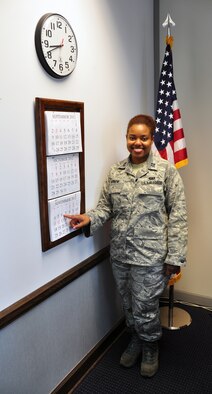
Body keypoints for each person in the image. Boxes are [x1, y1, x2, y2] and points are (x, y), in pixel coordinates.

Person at [64, 114, 188, 378]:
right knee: (129, 304)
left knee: (145, 305)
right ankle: (135, 338)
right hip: (120, 254)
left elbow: (178, 215)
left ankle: (150, 345)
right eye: (133, 137)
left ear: (152, 139)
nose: (138, 143)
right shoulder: (115, 172)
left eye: (143, 138)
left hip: (151, 257)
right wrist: (89, 217)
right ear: (127, 138)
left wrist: (174, 256)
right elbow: (106, 207)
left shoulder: (166, 171)